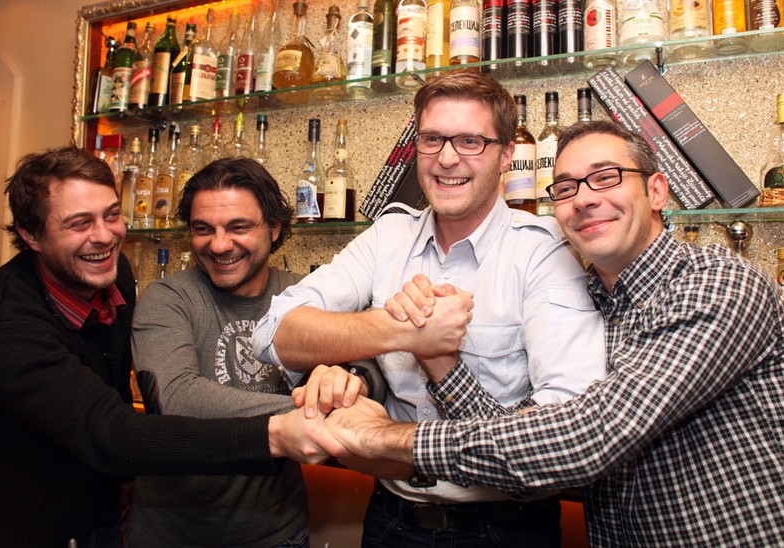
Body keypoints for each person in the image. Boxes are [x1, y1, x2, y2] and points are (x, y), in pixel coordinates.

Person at [324, 120, 784, 546]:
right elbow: (528, 440)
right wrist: (436, 356)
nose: (584, 199)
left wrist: (389, 438)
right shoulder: (592, 301)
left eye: (606, 177)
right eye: (566, 188)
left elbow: (590, 434)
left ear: (657, 191)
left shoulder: (720, 284)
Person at [254, 69, 607, 546]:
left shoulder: (542, 251)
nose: (447, 158)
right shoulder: (389, 235)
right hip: (391, 519)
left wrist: (401, 418)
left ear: (507, 155)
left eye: (470, 141)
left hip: (504, 528)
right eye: (432, 139)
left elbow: (564, 426)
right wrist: (398, 331)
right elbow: (273, 331)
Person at [0, 146, 343, 548]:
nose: (104, 236)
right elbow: (112, 431)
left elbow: (114, 392)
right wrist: (284, 429)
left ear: (274, 228)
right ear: (31, 234)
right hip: (25, 526)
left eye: (111, 215)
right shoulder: (3, 331)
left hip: (103, 514)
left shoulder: (111, 273)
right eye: (79, 223)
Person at [127, 158, 383, 548]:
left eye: (238, 227)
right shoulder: (168, 298)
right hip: (175, 534)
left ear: (274, 228)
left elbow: (368, 360)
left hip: (278, 533)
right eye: (203, 229)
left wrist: (354, 381)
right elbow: (177, 397)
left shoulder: (303, 296)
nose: (219, 245)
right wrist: (308, 414)